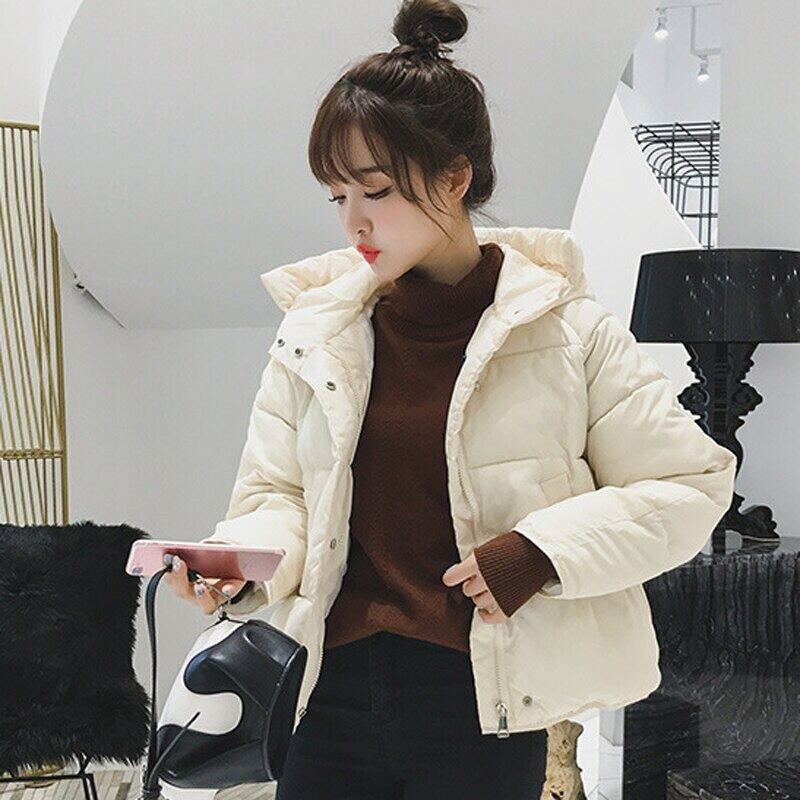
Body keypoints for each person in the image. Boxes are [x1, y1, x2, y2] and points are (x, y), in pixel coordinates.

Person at [167, 0, 737, 797]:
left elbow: (690, 483)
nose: (353, 222)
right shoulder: (315, 333)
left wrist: (539, 553)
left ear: (455, 178)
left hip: (480, 699)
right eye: (336, 196)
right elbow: (279, 494)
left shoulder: (569, 332)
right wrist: (240, 562)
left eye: (374, 191)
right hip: (325, 692)